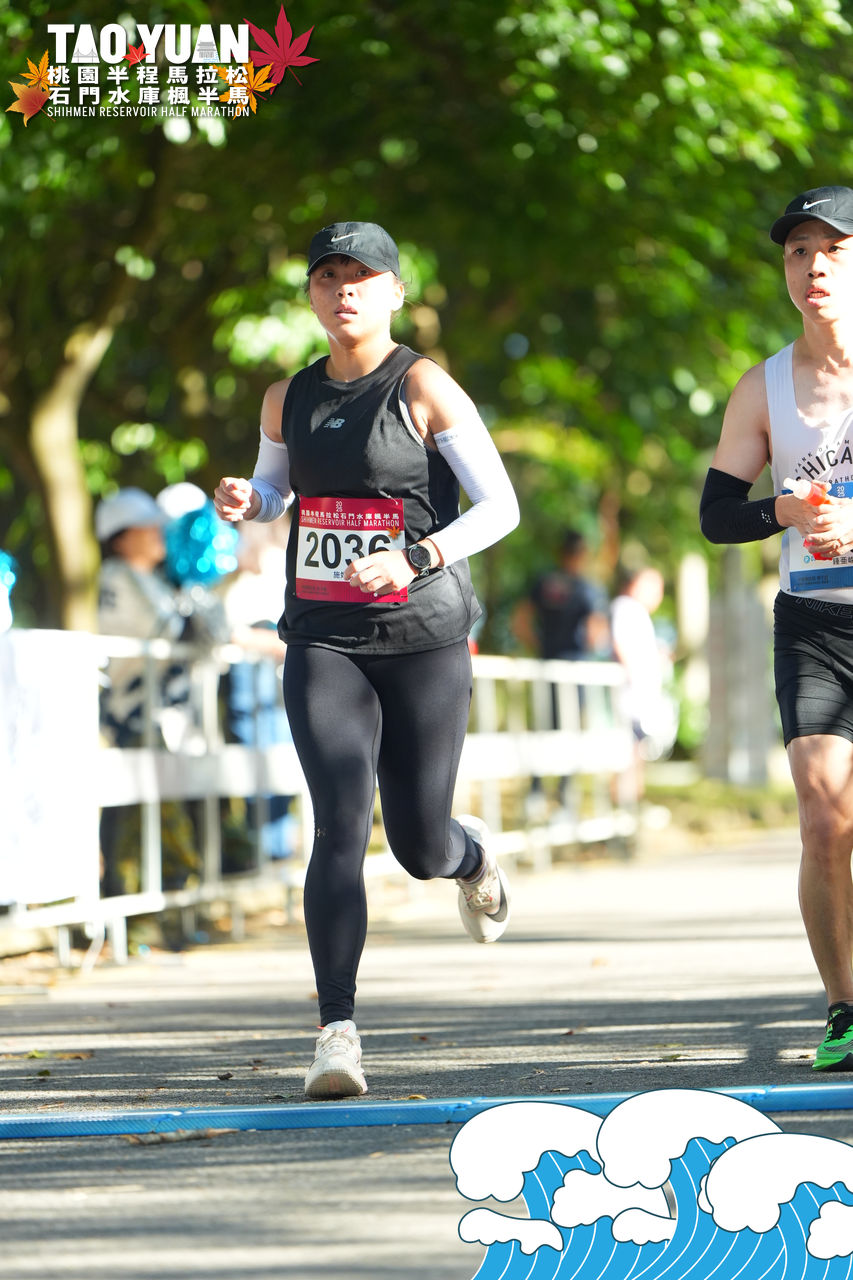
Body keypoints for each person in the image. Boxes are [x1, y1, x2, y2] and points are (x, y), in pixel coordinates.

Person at [214, 220, 519, 1099]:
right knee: (339, 823)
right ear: (310, 293)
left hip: (422, 636)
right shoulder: (287, 397)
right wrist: (249, 499)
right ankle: (335, 1034)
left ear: (394, 291)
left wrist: (416, 557)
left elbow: (499, 508)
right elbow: (278, 491)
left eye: (362, 276)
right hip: (322, 635)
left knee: (418, 844)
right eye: (328, 276)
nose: (343, 290)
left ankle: (470, 859)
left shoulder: (422, 385)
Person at [700, 184, 853, 1073]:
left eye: (833, 249)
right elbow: (717, 514)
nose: (813, 266)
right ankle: (844, 1009)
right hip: (812, 625)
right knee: (824, 817)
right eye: (798, 252)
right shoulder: (761, 388)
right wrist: (783, 512)